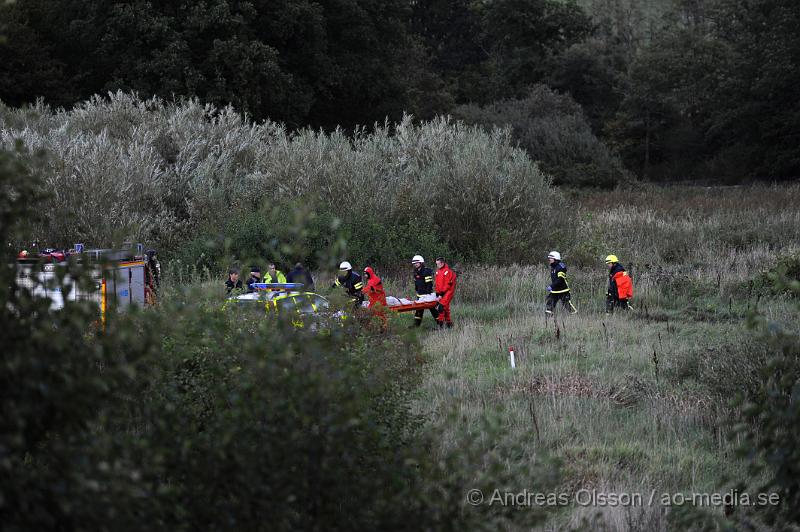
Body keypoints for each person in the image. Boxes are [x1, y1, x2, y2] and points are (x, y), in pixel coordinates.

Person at [410, 254, 439, 327]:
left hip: (427, 295)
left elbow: (429, 284)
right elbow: (416, 284)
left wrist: (428, 294)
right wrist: (417, 291)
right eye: (414, 263)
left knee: (433, 309)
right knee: (419, 310)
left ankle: (440, 323)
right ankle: (416, 325)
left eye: (417, 263)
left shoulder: (426, 271)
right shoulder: (415, 272)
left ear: (421, 263)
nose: (415, 265)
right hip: (420, 295)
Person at [545, 251, 577, 315]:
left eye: (550, 258)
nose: (549, 260)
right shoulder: (553, 267)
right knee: (549, 304)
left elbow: (560, 280)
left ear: (555, 258)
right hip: (555, 291)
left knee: (567, 305)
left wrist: (551, 286)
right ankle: (547, 321)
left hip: (563, 290)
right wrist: (553, 288)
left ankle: (575, 317)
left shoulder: (561, 267)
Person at [434, 256, 457, 328]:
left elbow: (448, 285)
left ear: (442, 263)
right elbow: (437, 284)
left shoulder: (448, 272)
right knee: (445, 308)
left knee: (440, 307)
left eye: (438, 264)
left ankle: (440, 326)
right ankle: (449, 324)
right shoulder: (438, 272)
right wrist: (437, 294)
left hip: (448, 292)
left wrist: (441, 294)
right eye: (436, 264)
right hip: (441, 293)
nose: (437, 265)